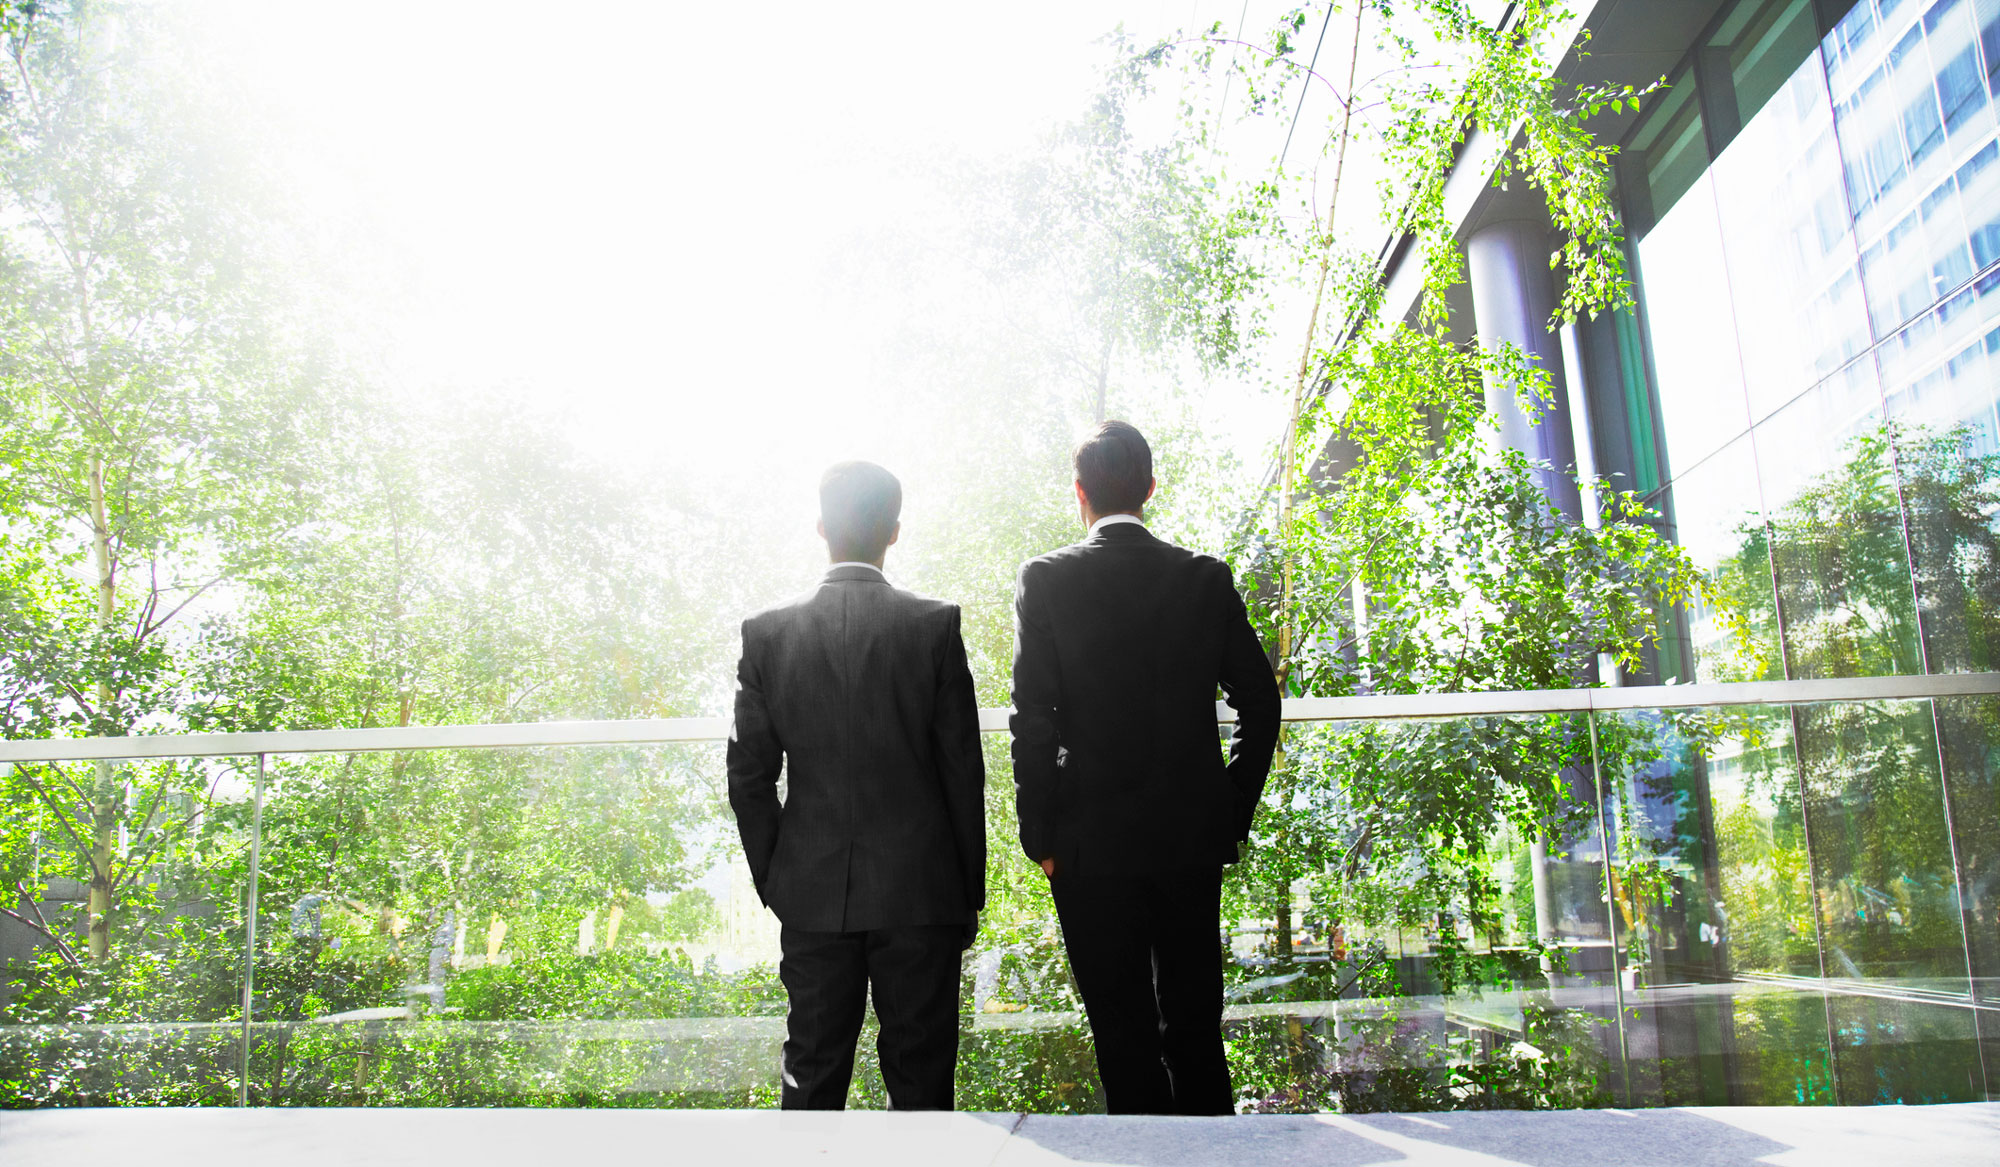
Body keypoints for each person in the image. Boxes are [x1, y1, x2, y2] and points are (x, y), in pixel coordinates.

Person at [1009, 420, 1281, 1115]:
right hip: (1189, 839)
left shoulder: (1045, 579)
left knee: (1122, 1038)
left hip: (1086, 846)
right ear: (1151, 489)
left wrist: (1038, 835)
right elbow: (1260, 701)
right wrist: (1229, 809)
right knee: (1194, 1031)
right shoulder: (1203, 578)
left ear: (1080, 494)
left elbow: (1032, 718)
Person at [726, 461, 986, 1110]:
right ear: (894, 532)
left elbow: (748, 776)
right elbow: (962, 771)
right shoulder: (934, 626)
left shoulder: (767, 636)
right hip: (922, 893)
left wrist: (776, 877)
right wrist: (968, 891)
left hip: (809, 893)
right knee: (922, 1086)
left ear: (820, 528)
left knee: (810, 1077)